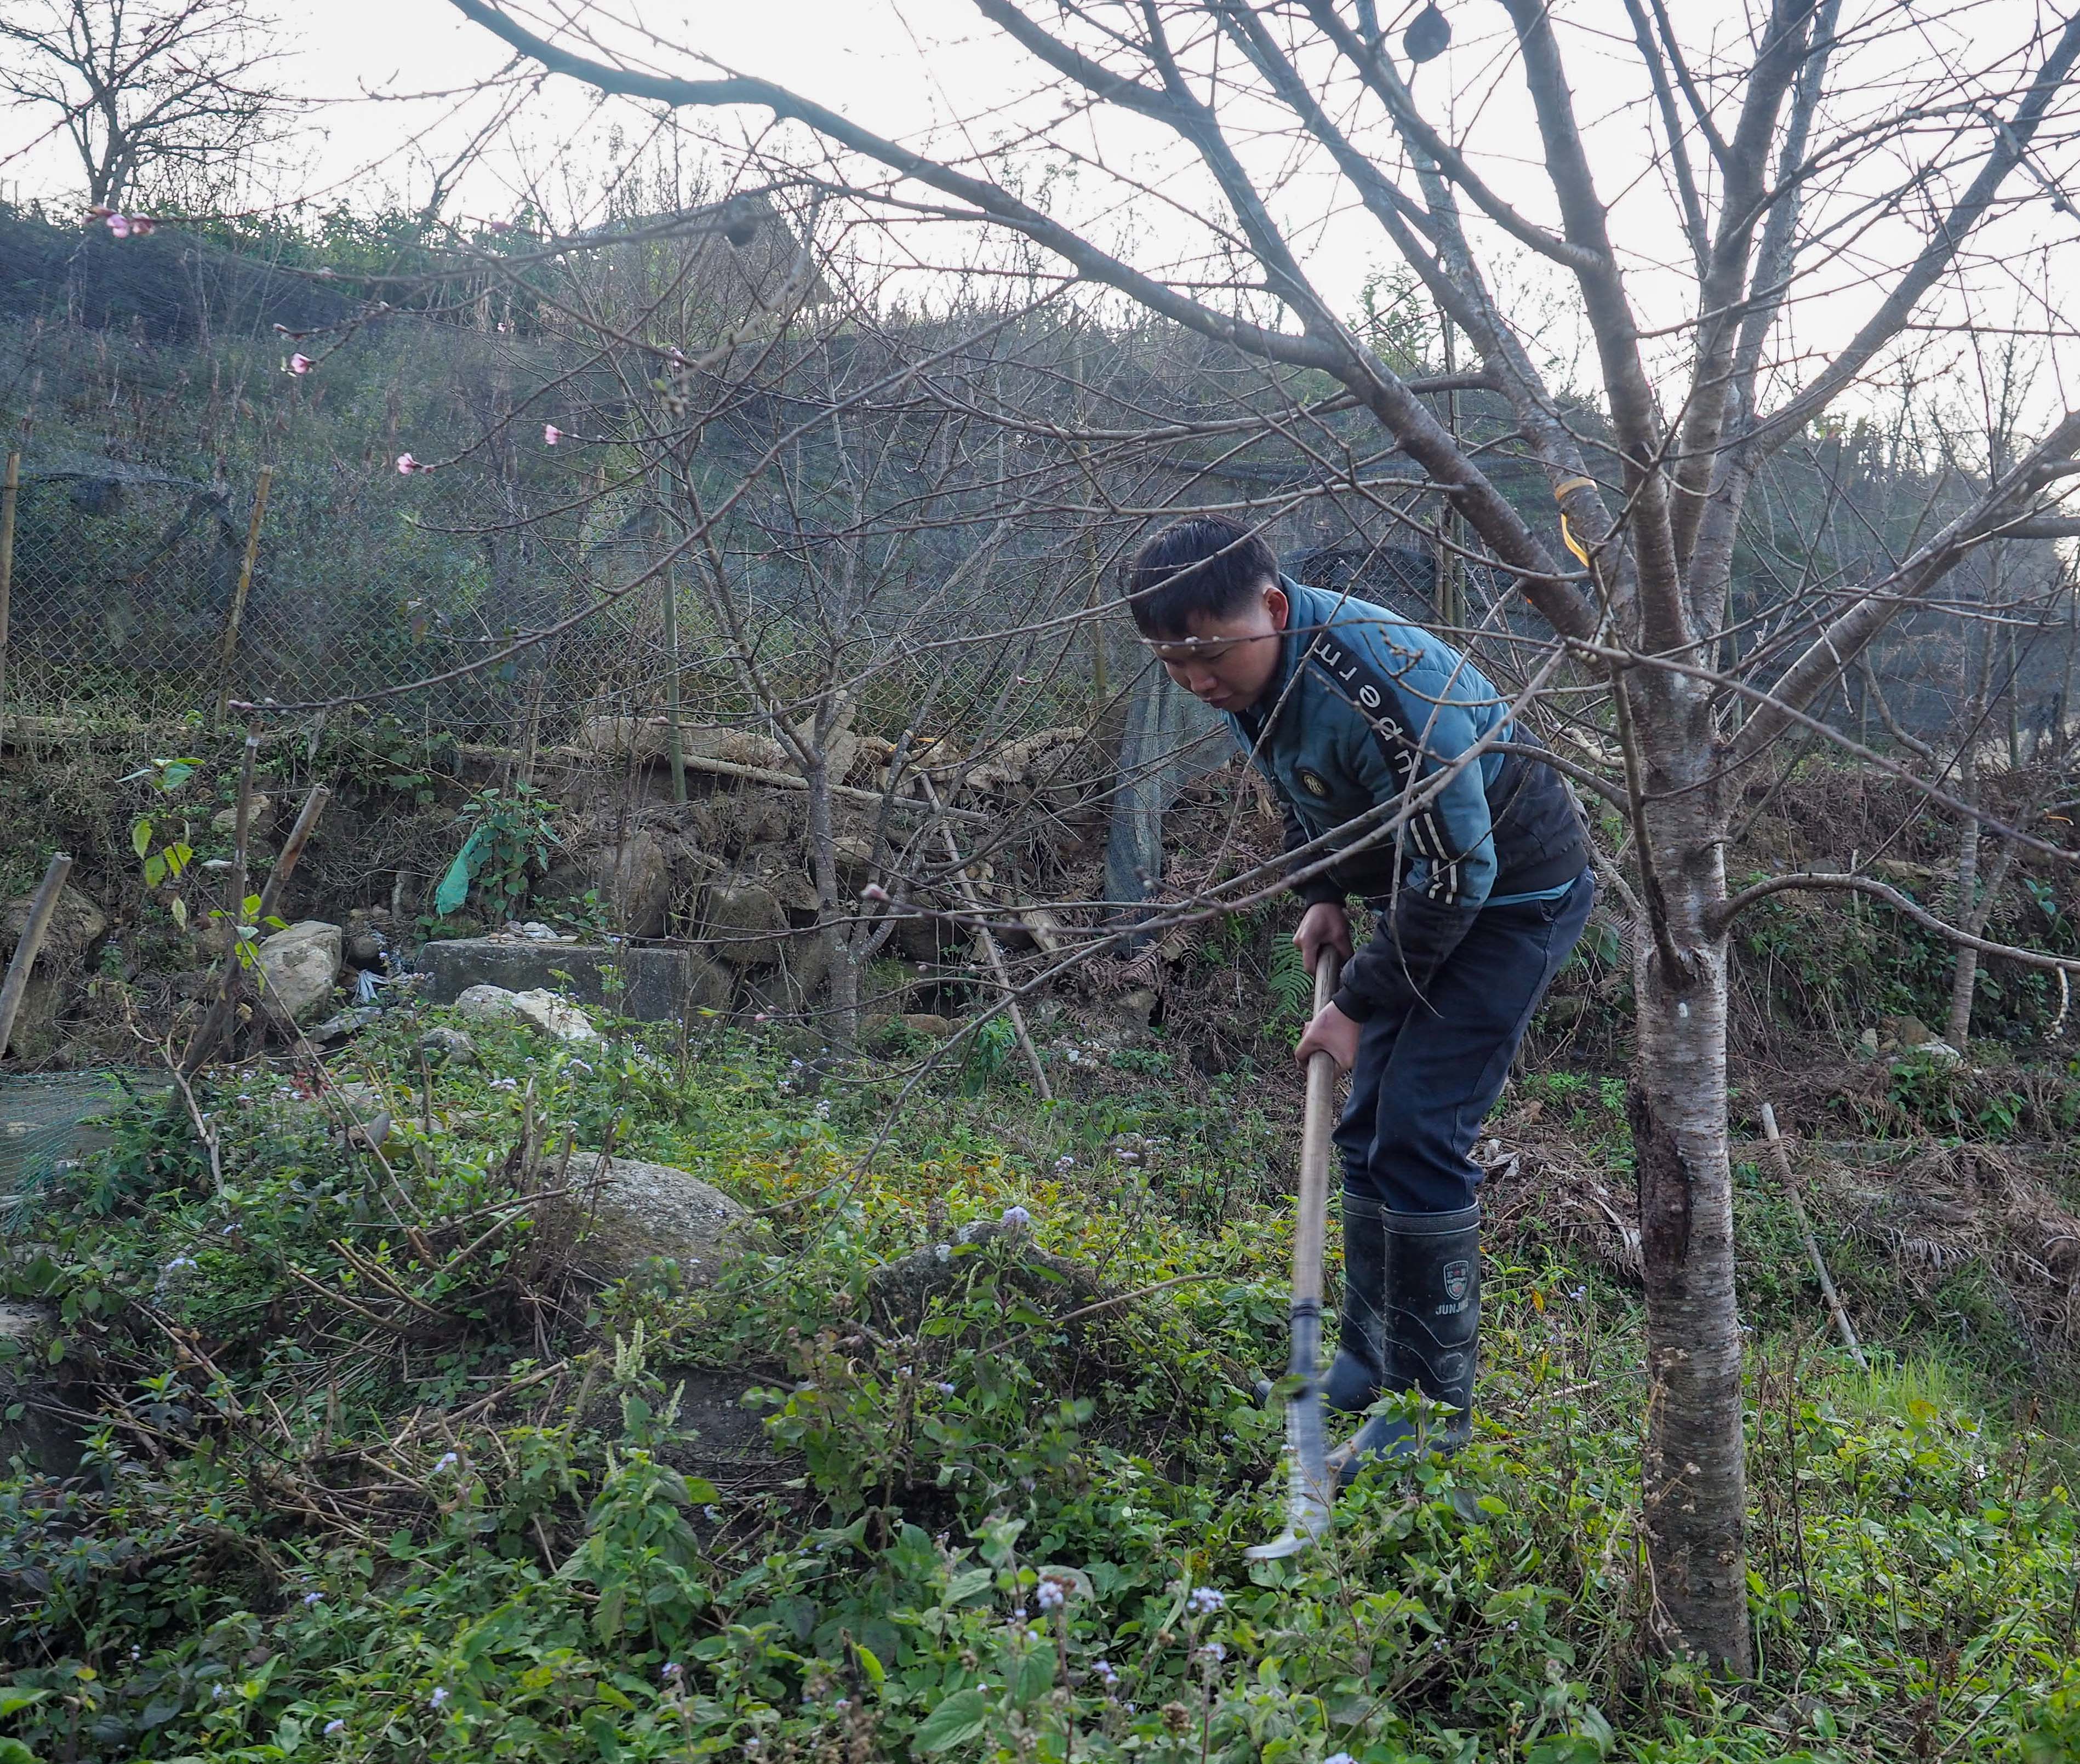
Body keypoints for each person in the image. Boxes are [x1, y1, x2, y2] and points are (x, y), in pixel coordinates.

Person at [1129, 516, 1593, 1476]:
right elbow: (1304, 792)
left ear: (1270, 604)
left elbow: (1462, 872)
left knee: (1419, 1131)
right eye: (1174, 667)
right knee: (1367, 1129)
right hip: (1426, 893)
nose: (1198, 681)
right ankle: (1365, 1360)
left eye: (1209, 655)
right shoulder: (1256, 671)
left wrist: (1360, 1003)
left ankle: (1431, 1409)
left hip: (1511, 896)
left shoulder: (1375, 685)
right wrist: (1324, 893)